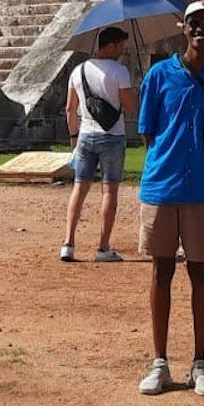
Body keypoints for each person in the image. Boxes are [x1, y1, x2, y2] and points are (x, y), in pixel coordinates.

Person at [135, 0, 204, 397]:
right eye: (195, 23)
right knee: (161, 271)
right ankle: (159, 360)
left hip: (202, 188)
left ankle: (199, 361)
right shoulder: (160, 75)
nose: (201, 30)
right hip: (163, 184)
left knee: (200, 272)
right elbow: (148, 132)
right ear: (184, 27)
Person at [60, 25, 139, 262]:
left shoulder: (78, 70)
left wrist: (73, 137)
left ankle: (68, 242)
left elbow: (69, 108)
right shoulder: (119, 71)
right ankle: (103, 247)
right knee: (110, 191)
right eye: (121, 46)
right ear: (112, 45)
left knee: (79, 188)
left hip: (85, 134)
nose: (123, 50)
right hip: (112, 136)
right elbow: (131, 106)